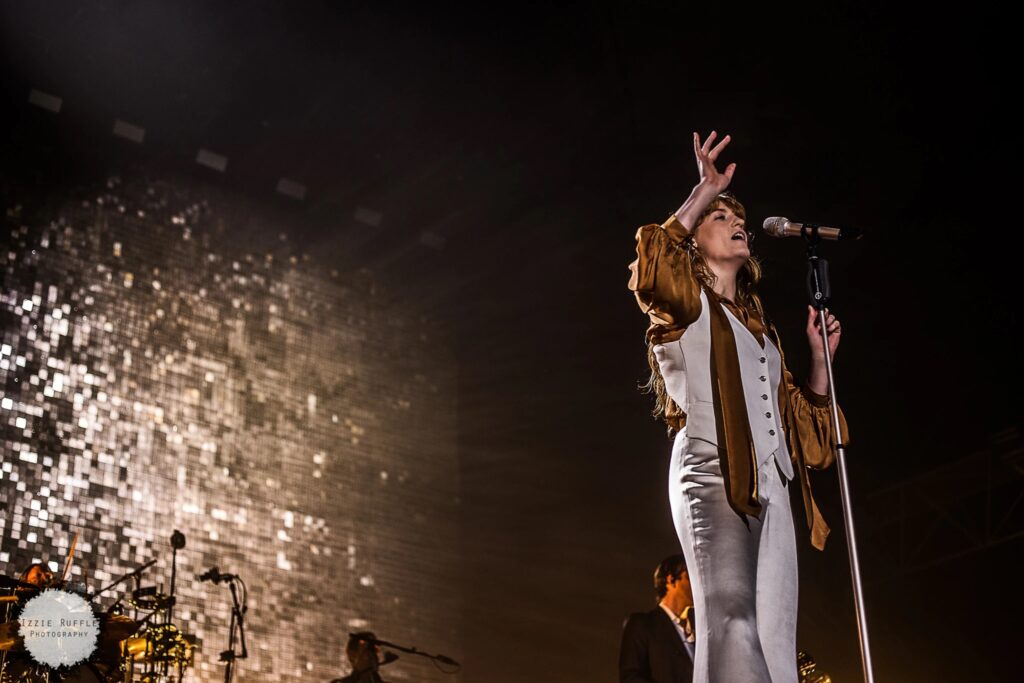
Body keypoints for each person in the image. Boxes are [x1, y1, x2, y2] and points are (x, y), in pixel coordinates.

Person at [626, 131, 849, 683]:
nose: (736, 220)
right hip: (712, 468)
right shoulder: (685, 303)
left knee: (774, 640)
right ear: (696, 238)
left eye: (737, 214)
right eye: (720, 216)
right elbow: (653, 263)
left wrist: (820, 360)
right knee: (731, 619)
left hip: (771, 484)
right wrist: (705, 189)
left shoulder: (764, 333)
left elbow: (810, 437)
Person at [619, 554, 696, 683]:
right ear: (671, 580)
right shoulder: (643, 625)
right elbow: (631, 677)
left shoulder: (699, 630)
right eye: (689, 578)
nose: (695, 587)